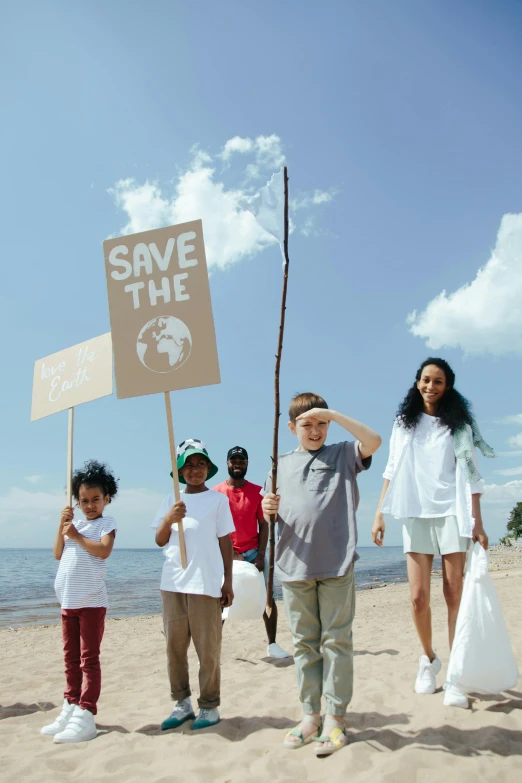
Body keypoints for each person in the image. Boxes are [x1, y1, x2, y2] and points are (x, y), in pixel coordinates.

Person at [262, 393, 381, 756]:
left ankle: (336, 717)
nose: (314, 431)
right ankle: (310, 716)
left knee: (337, 642)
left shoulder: (344, 453)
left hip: (336, 564)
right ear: (291, 428)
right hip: (293, 566)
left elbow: (374, 441)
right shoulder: (278, 465)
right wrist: (267, 507)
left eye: (321, 424)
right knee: (304, 645)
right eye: (306, 424)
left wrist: (331, 413)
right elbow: (270, 514)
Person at [372, 358, 492, 709]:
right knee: (418, 598)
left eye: (438, 381)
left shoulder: (460, 426)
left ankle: (456, 672)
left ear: (447, 386)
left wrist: (478, 522)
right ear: (417, 382)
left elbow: (472, 474)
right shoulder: (403, 423)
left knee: (454, 594)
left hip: (454, 513)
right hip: (415, 513)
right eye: (425, 380)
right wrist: (380, 513)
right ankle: (429, 659)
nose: (430, 386)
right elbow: (391, 467)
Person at [152, 439, 235, 731]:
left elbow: (226, 542)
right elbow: (160, 540)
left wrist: (228, 581)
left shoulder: (218, 500)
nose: (195, 469)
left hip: (206, 584)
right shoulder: (170, 501)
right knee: (175, 647)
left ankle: (209, 706)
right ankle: (182, 703)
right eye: (189, 464)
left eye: (200, 464)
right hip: (172, 583)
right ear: (180, 470)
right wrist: (170, 517)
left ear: (208, 468)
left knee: (207, 649)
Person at [41, 460, 118, 743]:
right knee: (70, 659)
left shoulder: (105, 524)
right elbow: (58, 553)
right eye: (84, 500)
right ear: (77, 501)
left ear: (106, 499)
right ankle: (71, 705)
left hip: (91, 602)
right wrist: (62, 526)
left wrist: (77, 534)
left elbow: (103, 551)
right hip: (68, 602)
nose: (89, 505)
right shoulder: (75, 523)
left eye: (95, 499)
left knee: (89, 660)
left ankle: (86, 712)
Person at [213, 446, 290, 659]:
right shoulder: (217, 493)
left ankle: (272, 644)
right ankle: (214, 648)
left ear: (247, 464)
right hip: (226, 555)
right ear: (227, 463)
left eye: (242, 461)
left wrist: (260, 555)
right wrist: (231, 554)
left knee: (268, 598)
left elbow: (264, 524)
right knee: (220, 600)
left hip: (254, 553)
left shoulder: (257, 492)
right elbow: (216, 528)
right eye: (233, 461)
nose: (237, 464)